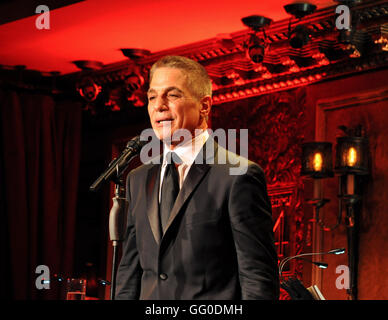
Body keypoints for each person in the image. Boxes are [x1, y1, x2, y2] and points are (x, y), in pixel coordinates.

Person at [115, 55, 279, 300]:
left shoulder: (237, 175)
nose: (158, 105)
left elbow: (257, 278)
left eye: (172, 95)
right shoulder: (137, 179)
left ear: (204, 106)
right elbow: (129, 272)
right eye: (152, 97)